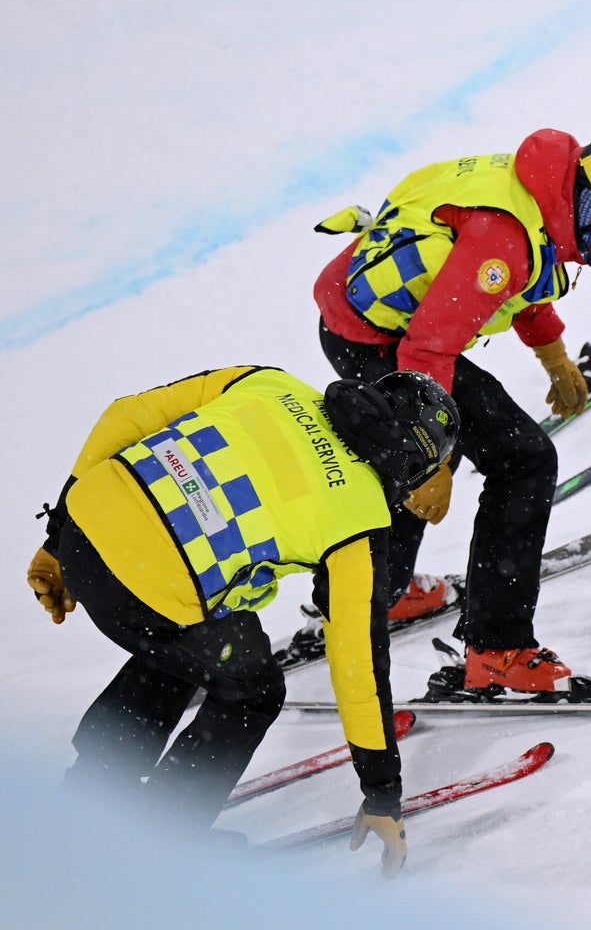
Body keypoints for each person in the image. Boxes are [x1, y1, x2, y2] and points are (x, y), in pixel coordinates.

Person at [26, 366, 459, 877]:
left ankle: (93, 787)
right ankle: (157, 835)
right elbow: (358, 664)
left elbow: (126, 414)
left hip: (84, 535)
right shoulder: (361, 520)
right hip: (148, 594)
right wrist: (382, 791)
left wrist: (60, 539)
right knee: (251, 685)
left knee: (197, 635)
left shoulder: (273, 384)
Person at [311, 129, 591, 700]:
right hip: (381, 341)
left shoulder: (542, 194)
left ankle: (380, 586)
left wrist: (553, 353)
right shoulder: (503, 239)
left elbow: (530, 274)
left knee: (436, 445)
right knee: (522, 461)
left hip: (370, 319)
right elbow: (427, 352)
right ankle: (496, 648)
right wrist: (430, 453)